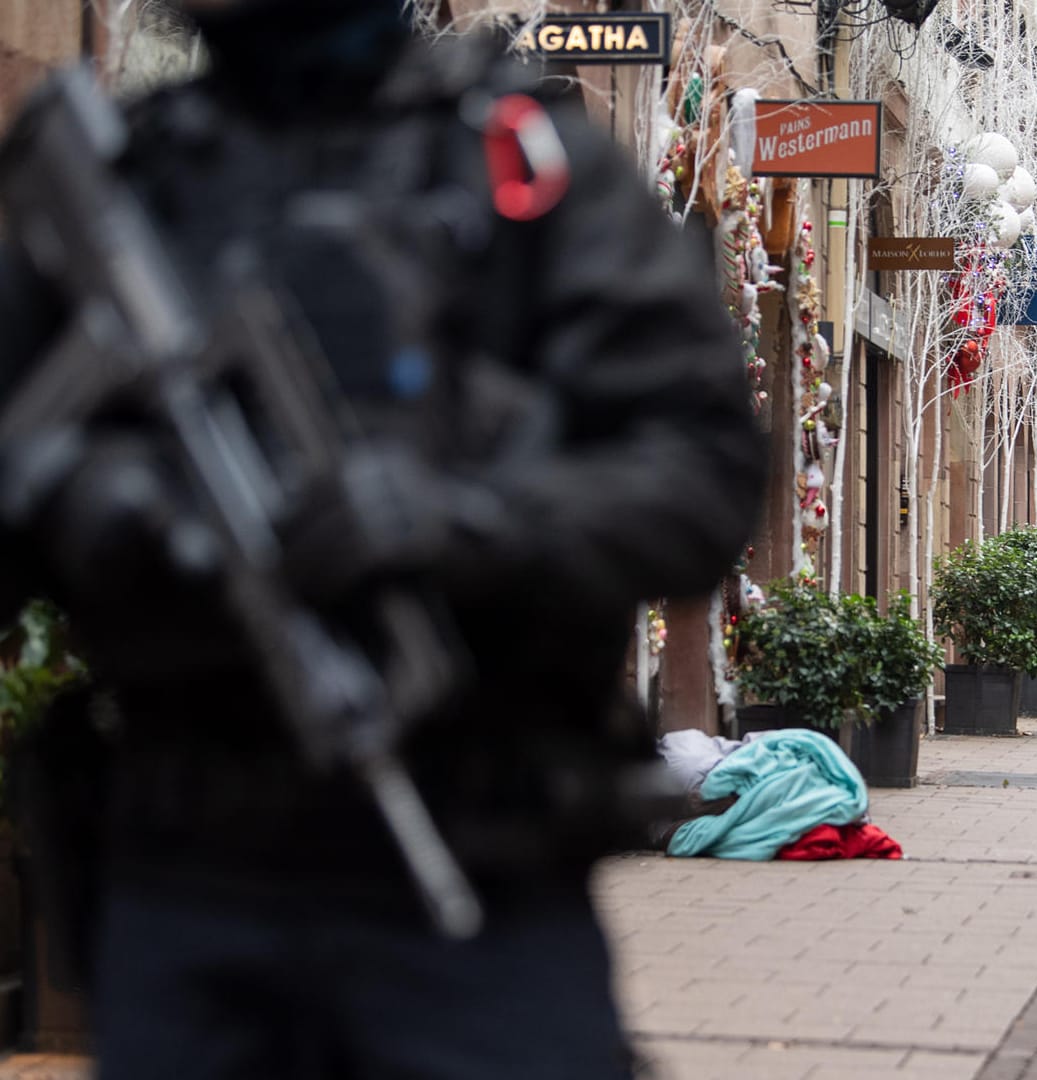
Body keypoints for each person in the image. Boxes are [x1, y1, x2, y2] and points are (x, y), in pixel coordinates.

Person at [0, 3, 765, 1077]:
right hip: (192, 887)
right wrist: (89, 496)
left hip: (471, 889)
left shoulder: (525, 173)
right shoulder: (137, 179)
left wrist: (467, 519)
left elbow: (702, 481)